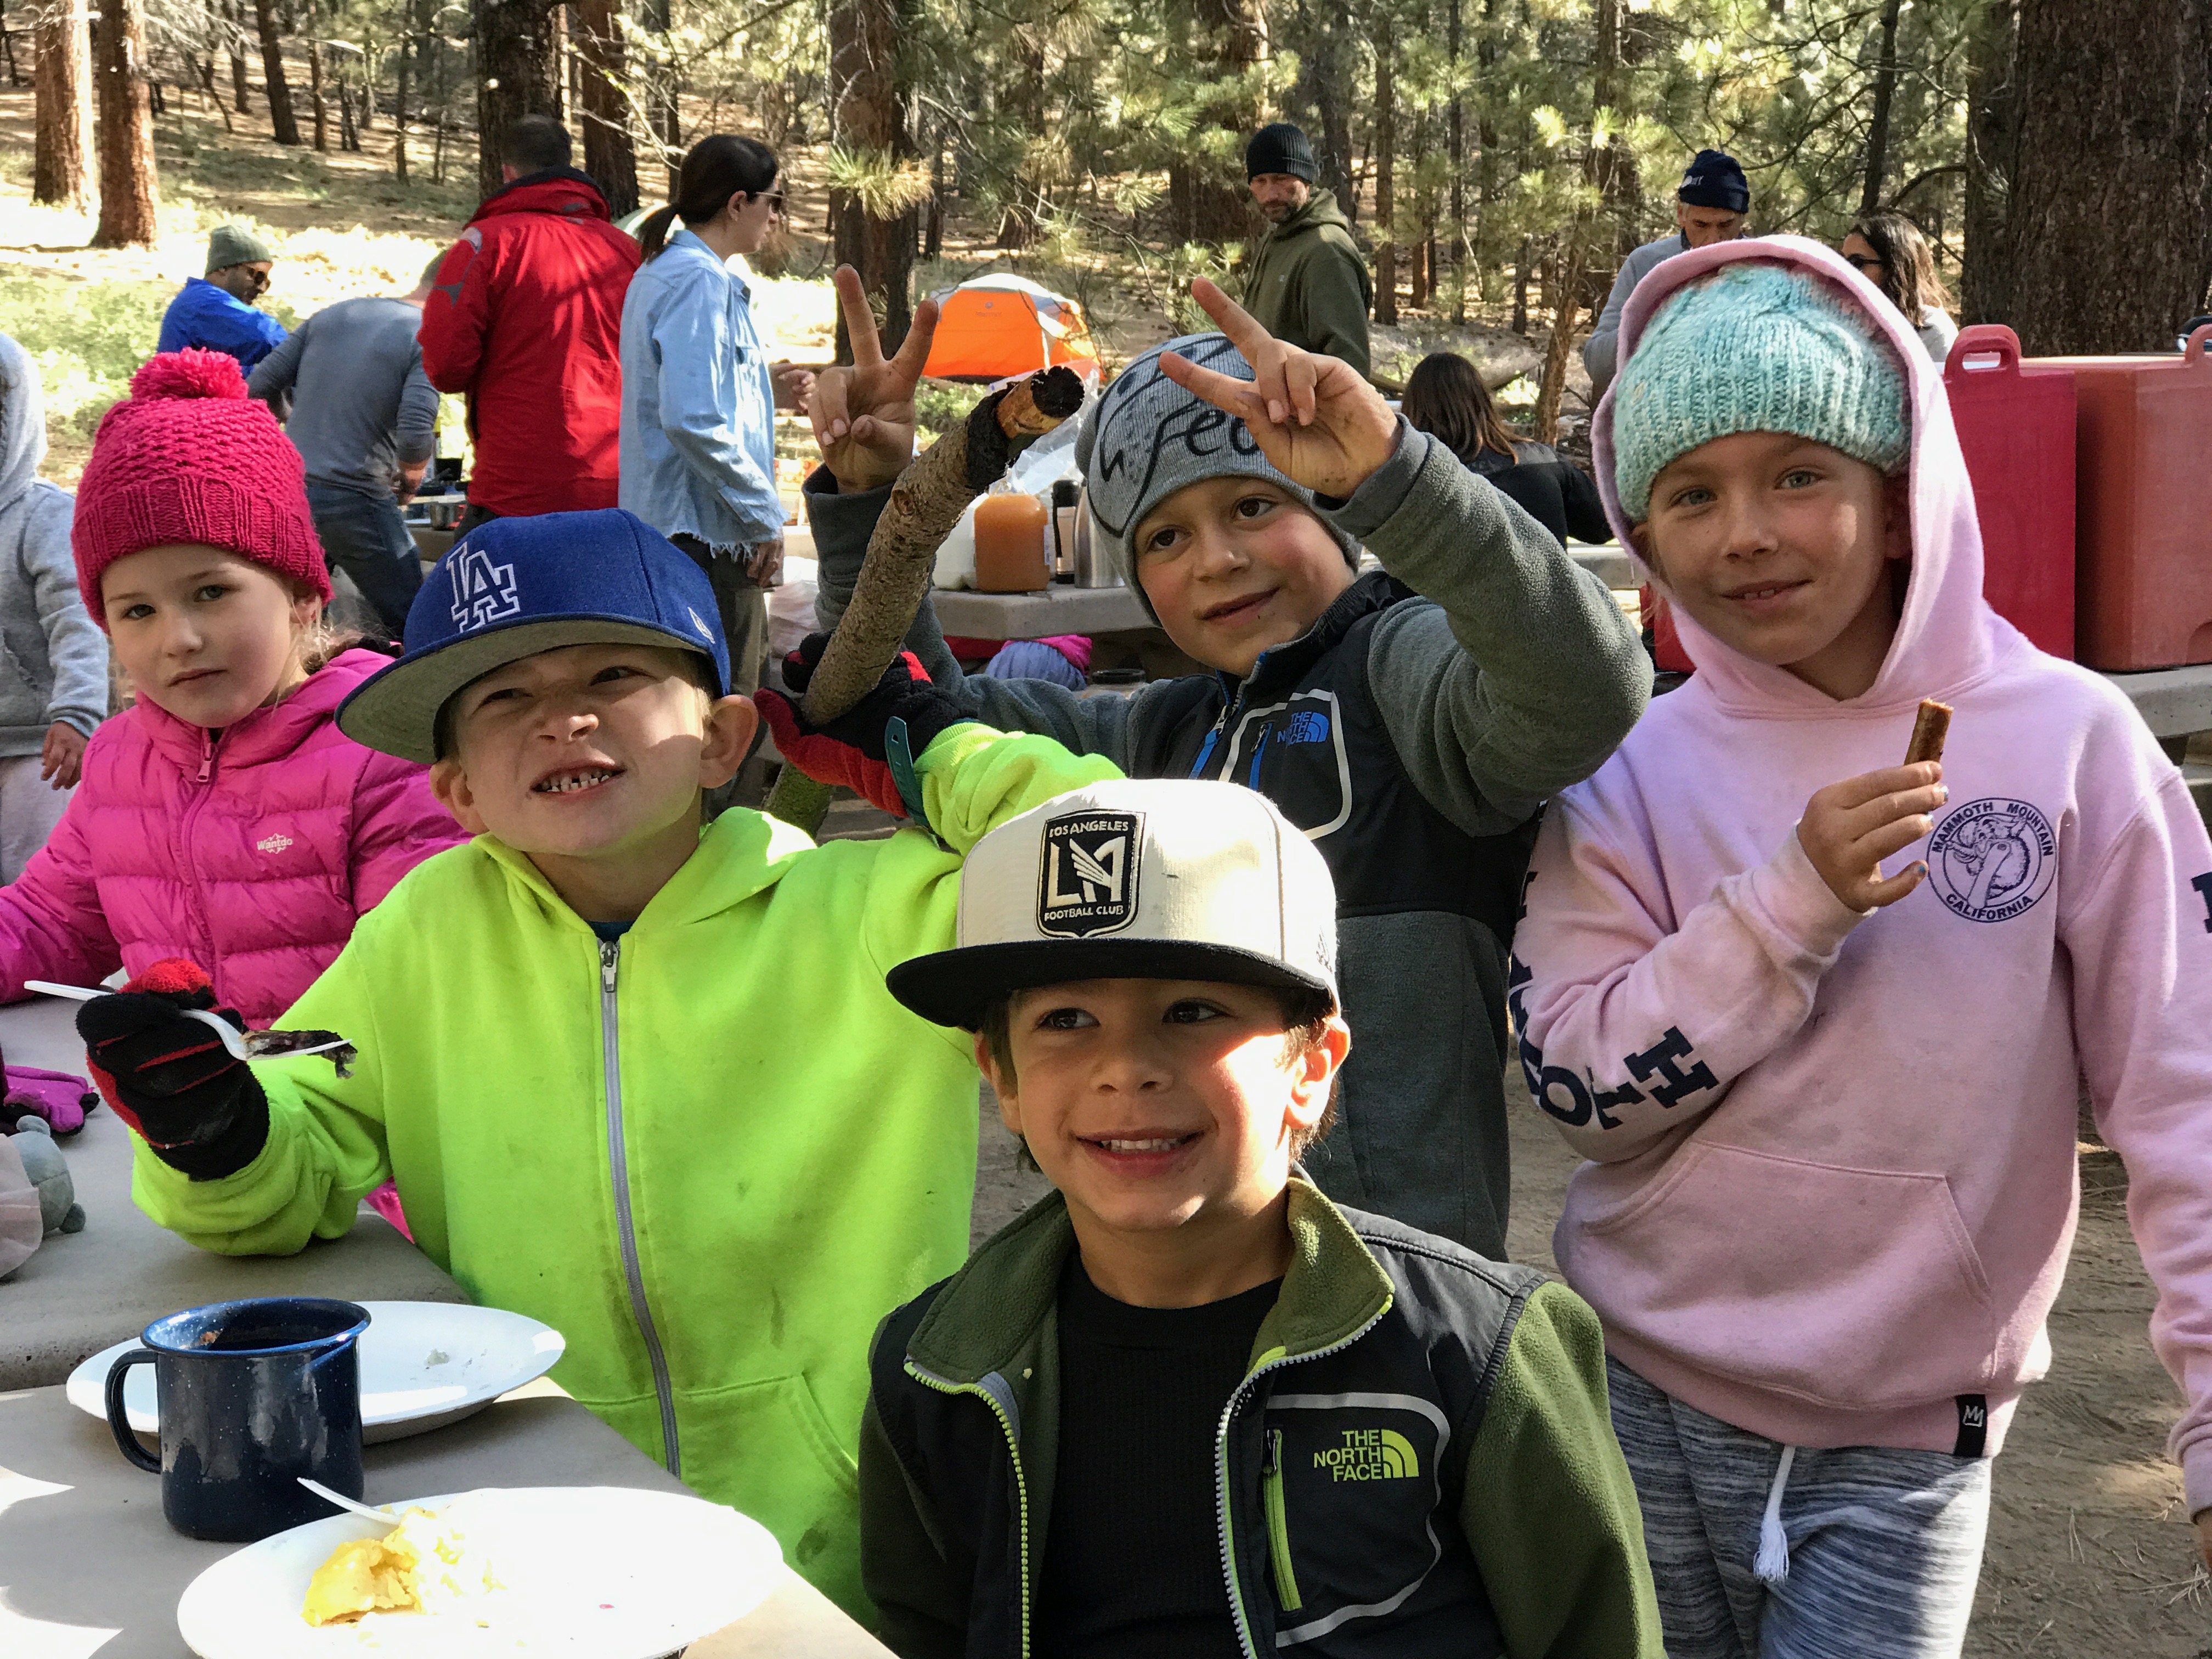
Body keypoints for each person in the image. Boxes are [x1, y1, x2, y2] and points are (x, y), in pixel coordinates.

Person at [78, 499, 1118, 1617]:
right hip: (524, 1529)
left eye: (614, 675)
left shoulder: (868, 910)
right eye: (504, 697)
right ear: (457, 790)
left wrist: (941, 750)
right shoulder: (425, 934)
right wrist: (215, 1133)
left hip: (845, 1541)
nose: (563, 720)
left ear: (722, 737)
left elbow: (1129, 876)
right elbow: (298, 1142)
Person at [1510, 236, 2212, 1657]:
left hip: (1911, 1446)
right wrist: (1785, 910)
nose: (1745, 533)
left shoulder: (2073, 745)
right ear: (1644, 537)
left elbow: (2188, 1097)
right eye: (1691, 494)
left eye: (1798, 476)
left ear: (1900, 501)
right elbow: (1578, 1091)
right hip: (1638, 1397)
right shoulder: (1630, 769)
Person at [798, 270, 1649, 1261]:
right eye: (1166, 537)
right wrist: (872, 503)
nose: (1216, 558)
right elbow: (922, 722)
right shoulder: (1155, 740)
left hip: (1391, 1292)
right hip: (1168, 1280)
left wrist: (1397, 477)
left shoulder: (1404, 672)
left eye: (1253, 505)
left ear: (1335, 511)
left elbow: (1586, 685)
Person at [857, 776, 1666, 1657]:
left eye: (1192, 1011)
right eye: (1067, 1018)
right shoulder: (933, 1371)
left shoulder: (1480, 1353)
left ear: (1311, 1066)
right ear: (1003, 1078)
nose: (1125, 1067)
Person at [0, 347, 460, 1025]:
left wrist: (253, 1082)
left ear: (301, 594)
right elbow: (50, 920)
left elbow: (424, 986)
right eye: (137, 611)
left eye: (211, 592)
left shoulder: (385, 750)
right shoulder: (120, 761)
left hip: (342, 1088)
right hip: (179, 1089)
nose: (178, 639)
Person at [621, 135, 816, 697]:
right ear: (737, 204)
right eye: (772, 202)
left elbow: (687, 390)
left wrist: (764, 388)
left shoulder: (669, 271)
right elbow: (691, 419)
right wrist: (763, 514)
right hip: (705, 539)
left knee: (696, 703)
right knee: (730, 706)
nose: (775, 217)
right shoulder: (697, 280)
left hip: (679, 532)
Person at [419, 115, 641, 531]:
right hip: (620, 487)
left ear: (507, 172)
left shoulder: (485, 243)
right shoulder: (629, 251)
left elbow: (446, 366)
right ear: (570, 165)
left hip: (516, 489)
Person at [249, 255, 444, 638]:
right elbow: (416, 430)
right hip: (354, 494)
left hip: (289, 488)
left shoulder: (336, 314)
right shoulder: (427, 335)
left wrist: (293, 420)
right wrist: (411, 478)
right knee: (417, 619)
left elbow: (258, 386)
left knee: (300, 623)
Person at [0, 337, 108, 884]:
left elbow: (77, 620)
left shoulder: (42, 517)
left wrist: (77, 714)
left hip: (41, 743)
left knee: (35, 882)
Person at [1401, 351, 1612, 549]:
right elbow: (1602, 527)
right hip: (1546, 579)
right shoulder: (1545, 460)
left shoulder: (1415, 485)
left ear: (1414, 412)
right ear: (1483, 403)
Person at [1583, 150, 1749, 399]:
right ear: (1681, 215)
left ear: (1742, 218)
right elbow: (1597, 364)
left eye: (1726, 225)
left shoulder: (1766, 266)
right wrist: (1658, 319)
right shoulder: (1646, 264)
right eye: (1701, 225)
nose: (1713, 239)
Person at [1239, 122, 1373, 380]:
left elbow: (1350, 370)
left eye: (1281, 179)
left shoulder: (1326, 252)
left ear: (1306, 178)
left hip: (1304, 405)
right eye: (1260, 181)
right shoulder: (1276, 239)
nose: (1271, 194)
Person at [156, 224, 288, 373]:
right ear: (224, 268)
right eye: (258, 276)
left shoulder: (196, 298)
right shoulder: (202, 301)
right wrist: (302, 344)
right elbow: (267, 337)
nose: (262, 288)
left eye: (266, 282)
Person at [1841, 208, 1958, 364]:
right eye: (1841, 261)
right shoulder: (1844, 322)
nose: (1844, 272)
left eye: (1856, 263)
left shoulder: (1931, 331)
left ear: (1894, 268)